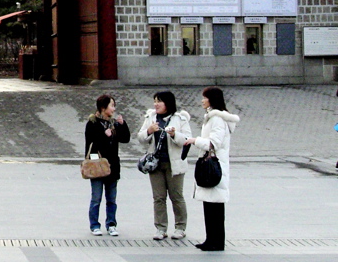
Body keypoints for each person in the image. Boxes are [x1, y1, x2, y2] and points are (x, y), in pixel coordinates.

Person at [183, 86, 239, 251]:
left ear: (211, 99)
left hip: (215, 166)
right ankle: (211, 239)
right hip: (213, 165)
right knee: (209, 204)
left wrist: (195, 140)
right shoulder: (212, 117)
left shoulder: (217, 119)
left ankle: (216, 241)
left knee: (215, 207)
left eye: (204, 97)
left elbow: (214, 143)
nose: (202, 100)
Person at [137, 90, 192, 240]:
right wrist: (149, 130)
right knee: (158, 197)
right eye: (154, 101)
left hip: (174, 164)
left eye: (159, 101)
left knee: (176, 196)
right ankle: (160, 228)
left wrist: (174, 134)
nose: (156, 104)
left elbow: (187, 140)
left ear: (168, 103)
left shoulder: (180, 119)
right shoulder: (151, 117)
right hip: (155, 164)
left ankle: (180, 227)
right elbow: (141, 138)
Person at [84, 94, 131, 236]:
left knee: (111, 198)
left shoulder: (114, 123)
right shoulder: (92, 123)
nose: (114, 108)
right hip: (97, 165)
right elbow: (90, 144)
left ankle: (111, 224)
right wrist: (105, 135)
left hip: (112, 166)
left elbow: (125, 138)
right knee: (96, 198)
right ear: (103, 108)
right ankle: (94, 225)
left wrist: (123, 125)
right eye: (111, 105)